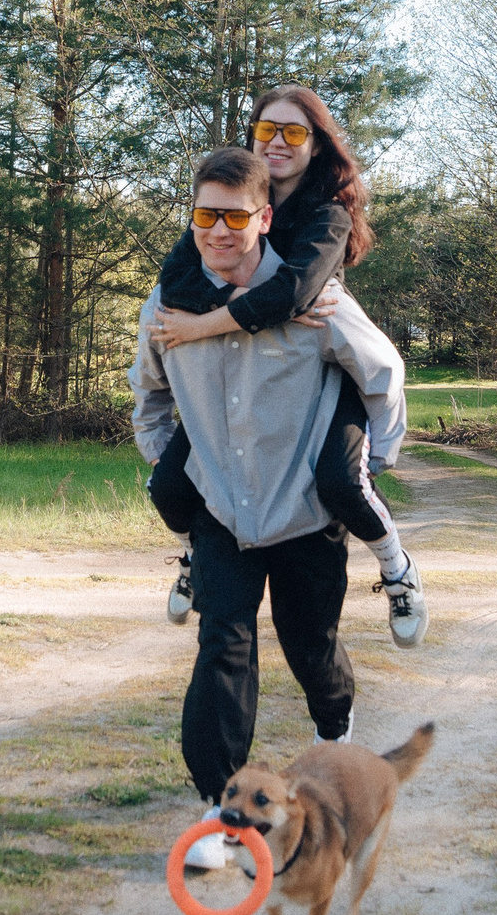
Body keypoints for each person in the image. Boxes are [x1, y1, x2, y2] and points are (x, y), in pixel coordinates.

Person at [130, 146, 409, 869]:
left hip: (305, 513)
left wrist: (370, 462)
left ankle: (337, 733)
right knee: (223, 642)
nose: (217, 231)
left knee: (308, 642)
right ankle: (224, 812)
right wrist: (173, 465)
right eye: (203, 215)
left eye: (233, 216)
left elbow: (382, 372)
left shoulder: (311, 299)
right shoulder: (166, 305)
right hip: (222, 511)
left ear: (264, 217)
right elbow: (150, 397)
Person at [147, 86, 427, 646]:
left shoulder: (327, 214)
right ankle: (194, 555)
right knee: (172, 485)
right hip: (258, 363)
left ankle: (397, 570)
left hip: (326, 368)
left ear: (316, 144)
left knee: (342, 483)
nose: (277, 142)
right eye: (266, 129)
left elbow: (297, 292)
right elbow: (177, 280)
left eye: (293, 131)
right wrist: (260, 307)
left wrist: (204, 325)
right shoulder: (229, 201)